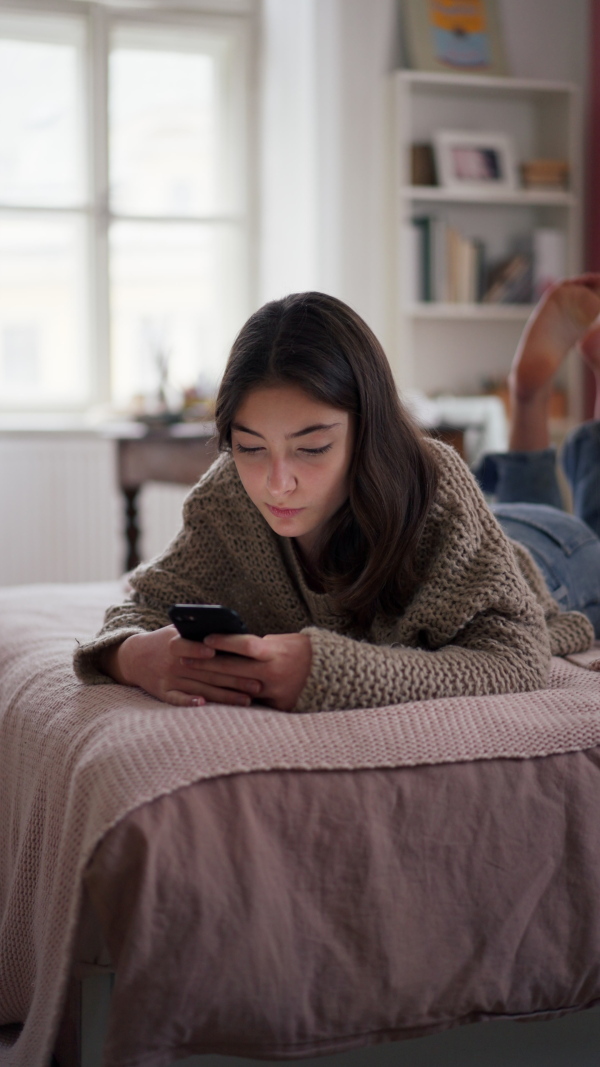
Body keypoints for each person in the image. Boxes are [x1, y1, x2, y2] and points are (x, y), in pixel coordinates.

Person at [74, 281, 597, 713]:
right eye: (251, 446)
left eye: (313, 447)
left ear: (367, 433)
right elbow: (140, 609)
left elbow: (518, 655)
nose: (277, 483)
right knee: (516, 506)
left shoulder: (434, 483)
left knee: (567, 517)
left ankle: (532, 393)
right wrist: (134, 657)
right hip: (497, 525)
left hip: (556, 564)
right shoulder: (228, 493)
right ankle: (530, 395)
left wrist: (329, 670)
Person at [476, 275, 600, 638]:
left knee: (526, 560)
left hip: (521, 544)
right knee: (536, 551)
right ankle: (527, 399)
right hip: (506, 535)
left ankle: (529, 400)